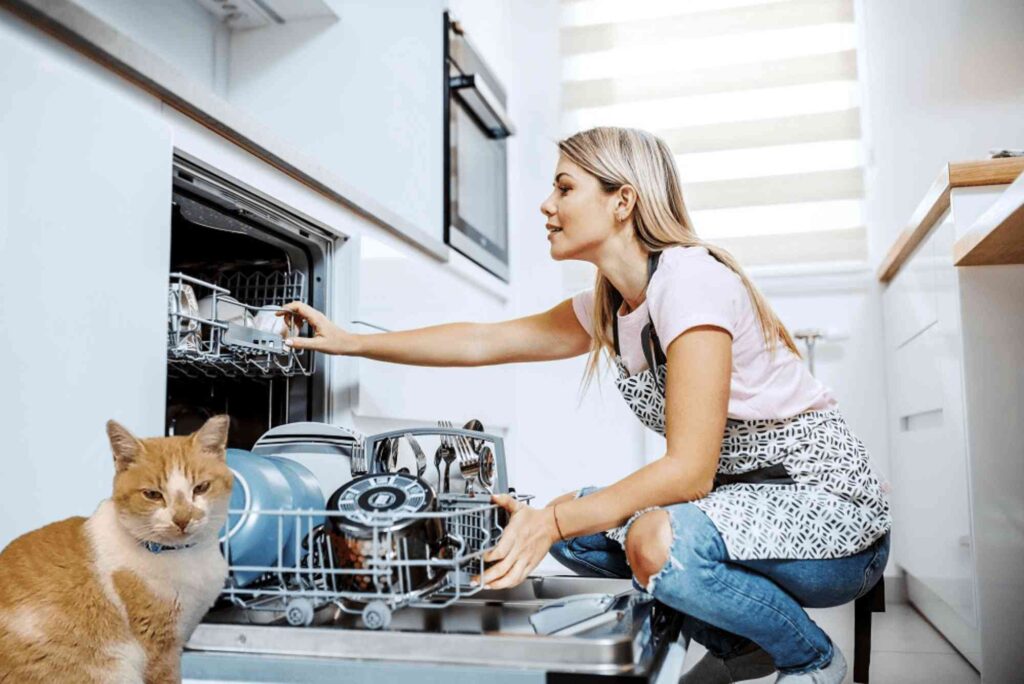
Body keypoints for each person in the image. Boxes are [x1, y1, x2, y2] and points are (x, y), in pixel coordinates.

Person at [279, 126, 892, 684]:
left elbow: (689, 471)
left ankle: (811, 658)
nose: (547, 205)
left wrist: (551, 520)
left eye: (564, 187)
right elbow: (483, 340)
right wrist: (350, 340)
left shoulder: (690, 280)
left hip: (833, 522)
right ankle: (746, 644)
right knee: (572, 524)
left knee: (646, 540)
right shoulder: (611, 303)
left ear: (622, 201)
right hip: (745, 509)